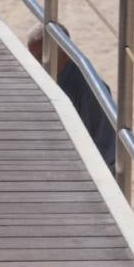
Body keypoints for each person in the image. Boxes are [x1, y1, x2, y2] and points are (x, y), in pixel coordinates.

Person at [27, 24, 117, 172]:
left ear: (65, 52)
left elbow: (107, 149)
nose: (36, 64)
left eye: (41, 57)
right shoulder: (40, 76)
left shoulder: (90, 90)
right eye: (32, 57)